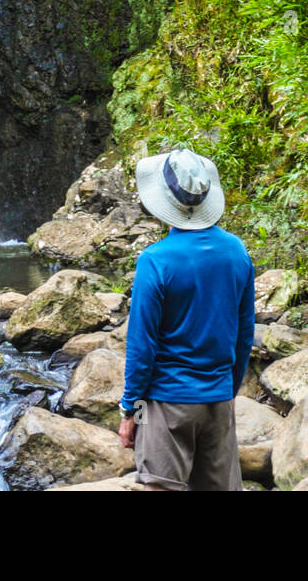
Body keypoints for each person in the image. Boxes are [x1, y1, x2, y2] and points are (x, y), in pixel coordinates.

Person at [117, 147, 256, 491]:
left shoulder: (155, 261)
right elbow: (244, 333)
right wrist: (229, 387)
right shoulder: (237, 252)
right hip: (218, 401)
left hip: (167, 403)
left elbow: (141, 345)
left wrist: (129, 411)